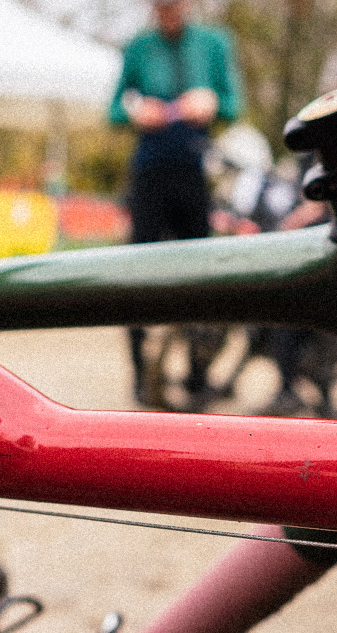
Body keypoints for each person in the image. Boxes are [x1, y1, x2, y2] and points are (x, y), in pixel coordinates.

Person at [110, 0, 243, 405]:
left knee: (199, 274)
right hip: (149, 172)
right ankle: (141, 373)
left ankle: (197, 375)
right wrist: (136, 112)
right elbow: (114, 110)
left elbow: (233, 105)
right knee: (138, 272)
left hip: (193, 171)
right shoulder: (138, 47)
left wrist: (212, 104)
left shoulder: (214, 44)